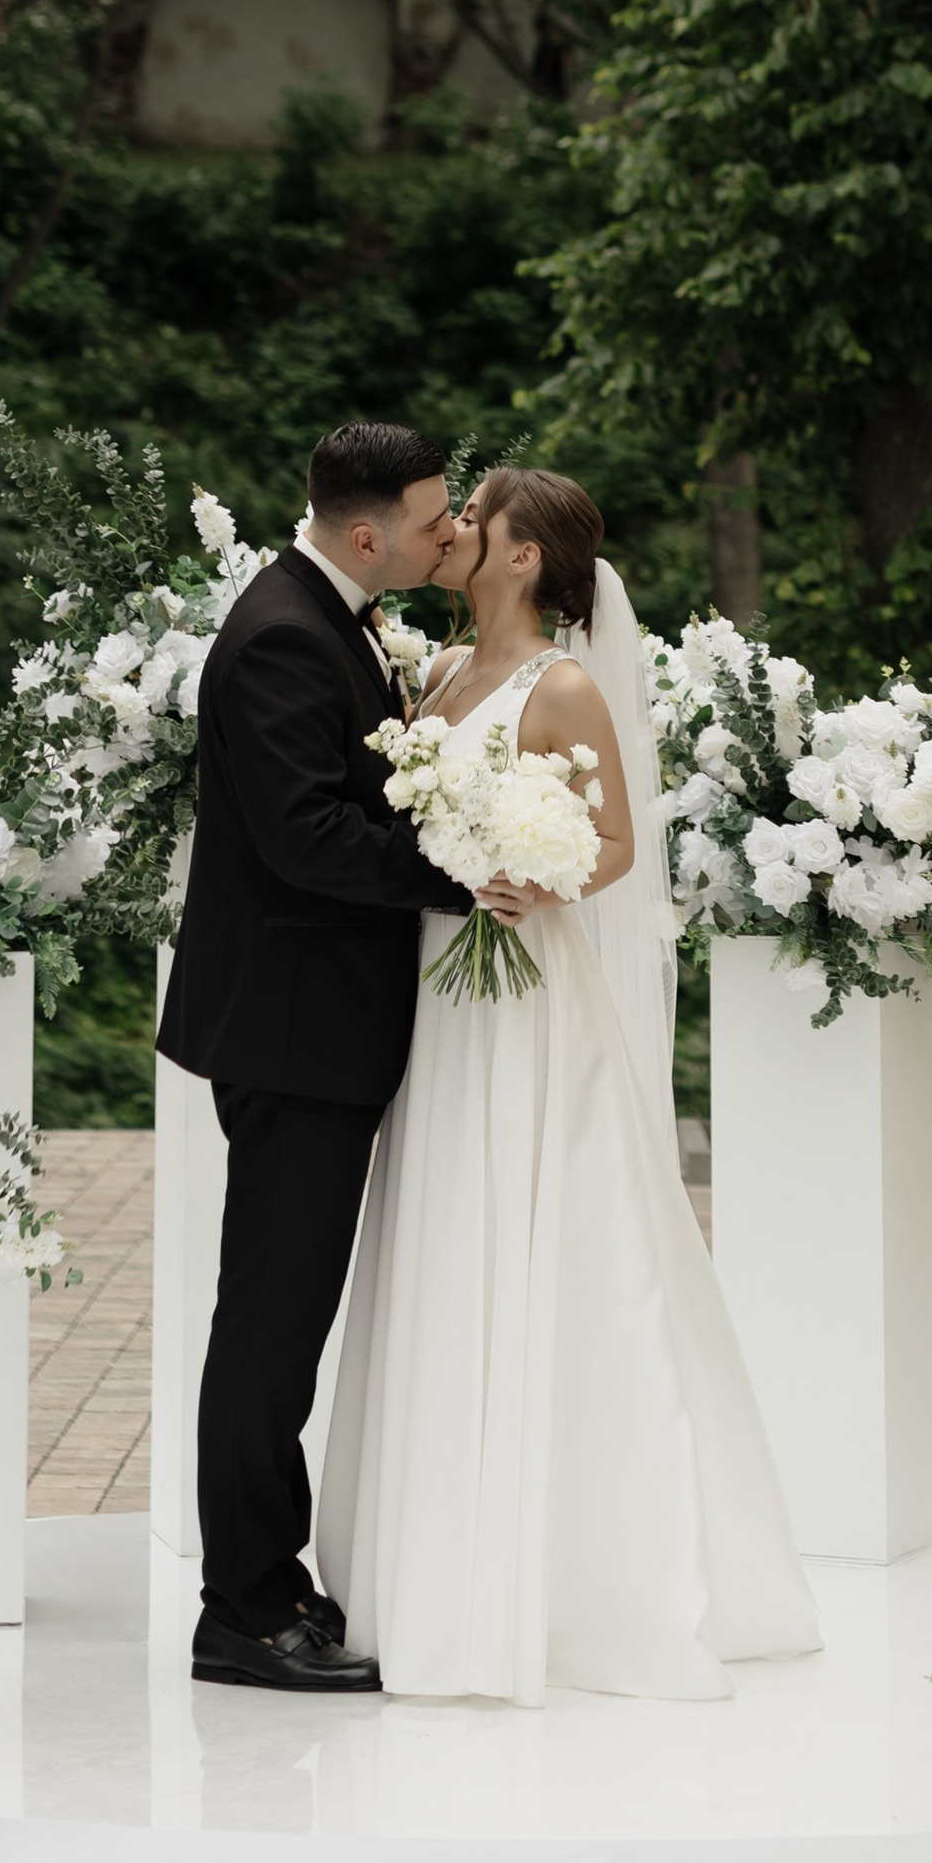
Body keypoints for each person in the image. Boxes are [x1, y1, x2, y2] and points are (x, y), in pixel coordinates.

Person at [317, 465, 821, 1702]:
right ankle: (425, 1562)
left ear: (525, 556)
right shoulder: (430, 676)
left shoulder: (567, 685)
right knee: (441, 1234)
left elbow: (616, 845)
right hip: (435, 995)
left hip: (525, 1001)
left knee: (542, 1237)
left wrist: (532, 874)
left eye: (473, 521)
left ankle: (574, 1579)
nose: (455, 535)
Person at [155, 417, 473, 1694]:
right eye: (430, 518)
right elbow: (305, 839)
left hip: (310, 1021)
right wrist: (464, 871)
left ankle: (270, 1583)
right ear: (365, 534)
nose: (446, 533)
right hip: (293, 1029)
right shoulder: (286, 633)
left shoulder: (325, 611)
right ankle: (241, 1610)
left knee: (280, 1316)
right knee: (271, 1326)